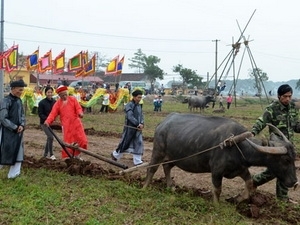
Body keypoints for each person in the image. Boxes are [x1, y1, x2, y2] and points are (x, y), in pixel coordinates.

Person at [251, 84, 300, 204]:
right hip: (277, 147)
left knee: (284, 170)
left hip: (289, 147)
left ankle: (282, 197)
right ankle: (254, 181)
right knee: (276, 171)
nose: (287, 99)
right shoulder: (272, 108)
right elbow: (261, 121)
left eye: (289, 96)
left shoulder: (293, 108)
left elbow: (296, 127)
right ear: (279, 96)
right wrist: (253, 132)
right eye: (285, 96)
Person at [44, 85, 88, 159]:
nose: (64, 97)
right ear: (59, 95)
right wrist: (48, 121)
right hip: (66, 126)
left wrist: (80, 113)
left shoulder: (73, 99)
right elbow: (52, 114)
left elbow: (78, 108)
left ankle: (77, 155)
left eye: (65, 94)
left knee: (82, 140)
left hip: (76, 124)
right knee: (69, 142)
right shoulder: (57, 104)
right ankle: (70, 157)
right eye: (62, 95)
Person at [0, 79, 26, 179]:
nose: (21, 92)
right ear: (13, 89)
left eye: (22, 90)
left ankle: (14, 175)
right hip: (6, 132)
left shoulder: (19, 101)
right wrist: (14, 127)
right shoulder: (5, 101)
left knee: (18, 152)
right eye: (19, 90)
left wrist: (22, 125)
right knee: (3, 151)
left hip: (18, 132)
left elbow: (22, 115)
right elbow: (3, 118)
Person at [111, 89, 144, 166]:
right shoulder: (129, 105)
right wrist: (137, 124)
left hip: (138, 129)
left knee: (138, 142)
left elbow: (141, 115)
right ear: (134, 97)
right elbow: (130, 116)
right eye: (138, 97)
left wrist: (142, 123)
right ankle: (115, 155)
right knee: (125, 143)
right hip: (130, 128)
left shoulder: (139, 106)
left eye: (140, 97)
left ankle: (137, 161)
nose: (139, 99)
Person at [38, 86, 56, 160]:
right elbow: (40, 114)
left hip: (52, 123)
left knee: (49, 138)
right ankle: (51, 154)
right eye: (48, 92)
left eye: (51, 92)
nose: (50, 94)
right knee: (51, 137)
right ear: (45, 93)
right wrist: (47, 119)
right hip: (44, 123)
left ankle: (45, 155)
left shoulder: (54, 102)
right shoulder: (42, 103)